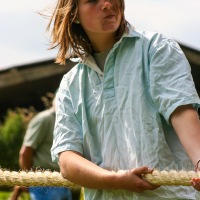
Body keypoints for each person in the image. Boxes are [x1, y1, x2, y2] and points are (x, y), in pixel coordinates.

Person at [49, 0, 200, 199]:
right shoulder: (70, 84)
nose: (106, 3)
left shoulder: (156, 48)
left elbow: (180, 111)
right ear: (74, 14)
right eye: (92, 0)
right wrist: (114, 180)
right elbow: (67, 160)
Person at [10, 97, 72, 200]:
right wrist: (27, 178)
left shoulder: (66, 121)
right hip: (44, 182)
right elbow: (26, 152)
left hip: (63, 180)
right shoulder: (44, 119)